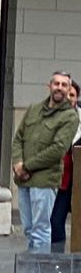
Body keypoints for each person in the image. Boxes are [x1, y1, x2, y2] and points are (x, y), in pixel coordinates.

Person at [13, 71, 79, 253]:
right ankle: (30, 271)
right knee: (28, 228)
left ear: (68, 89)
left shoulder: (70, 117)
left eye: (64, 85)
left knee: (41, 229)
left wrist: (27, 166)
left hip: (44, 180)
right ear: (48, 86)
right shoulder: (34, 109)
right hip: (24, 179)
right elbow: (18, 138)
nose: (59, 88)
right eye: (56, 83)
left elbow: (58, 149)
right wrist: (18, 163)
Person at [54, 75, 77, 251]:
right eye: (67, 94)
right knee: (55, 219)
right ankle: (56, 255)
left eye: (73, 95)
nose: (69, 98)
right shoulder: (53, 115)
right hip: (58, 176)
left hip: (75, 178)